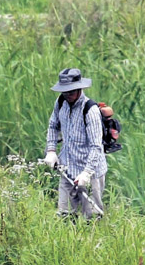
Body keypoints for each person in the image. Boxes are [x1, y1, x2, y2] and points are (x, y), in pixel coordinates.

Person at [43, 67, 107, 220]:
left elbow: (96, 146)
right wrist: (51, 150)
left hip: (90, 172)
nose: (67, 95)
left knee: (91, 217)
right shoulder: (60, 102)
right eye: (64, 92)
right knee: (64, 215)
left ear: (79, 88)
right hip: (68, 167)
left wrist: (87, 172)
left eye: (71, 92)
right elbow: (53, 125)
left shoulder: (90, 110)